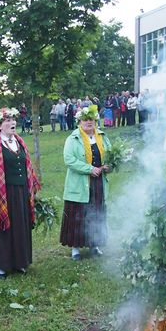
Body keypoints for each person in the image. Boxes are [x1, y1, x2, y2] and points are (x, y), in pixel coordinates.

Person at [0, 107, 41, 279]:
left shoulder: (19, 141)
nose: (13, 123)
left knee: (20, 226)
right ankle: (2, 265)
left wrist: (32, 188)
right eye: (8, 120)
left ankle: (20, 262)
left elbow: (28, 167)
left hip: (21, 192)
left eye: (13, 120)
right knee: (3, 227)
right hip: (3, 192)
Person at [60, 104, 111, 261]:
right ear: (79, 122)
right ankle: (75, 248)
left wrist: (109, 165)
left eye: (91, 119)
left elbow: (110, 154)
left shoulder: (102, 136)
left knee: (96, 211)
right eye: (85, 119)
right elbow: (69, 159)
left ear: (95, 121)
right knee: (78, 213)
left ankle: (94, 244)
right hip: (79, 184)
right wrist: (89, 169)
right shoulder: (73, 138)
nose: (89, 122)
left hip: (98, 183)